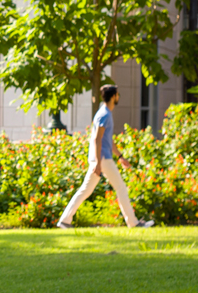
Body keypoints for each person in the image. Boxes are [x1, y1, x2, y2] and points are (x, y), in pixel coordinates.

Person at [57, 85, 154, 230]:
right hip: (102, 158)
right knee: (120, 187)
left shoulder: (104, 113)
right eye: (118, 94)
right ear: (114, 96)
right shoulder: (104, 114)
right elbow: (97, 139)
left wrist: (120, 156)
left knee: (86, 190)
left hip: (102, 157)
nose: (119, 97)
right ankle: (133, 223)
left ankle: (65, 220)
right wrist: (97, 162)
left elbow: (108, 141)